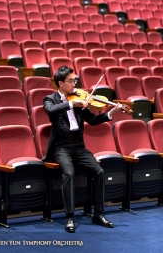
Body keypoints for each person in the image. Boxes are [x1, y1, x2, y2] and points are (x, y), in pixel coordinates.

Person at [43, 66, 123, 233]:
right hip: (60, 147)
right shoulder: (50, 99)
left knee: (99, 171)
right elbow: (50, 111)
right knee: (69, 173)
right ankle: (70, 216)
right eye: (71, 81)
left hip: (78, 146)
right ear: (60, 83)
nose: (74, 84)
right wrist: (71, 103)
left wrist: (110, 113)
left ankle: (98, 213)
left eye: (75, 80)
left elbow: (92, 120)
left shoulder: (80, 98)